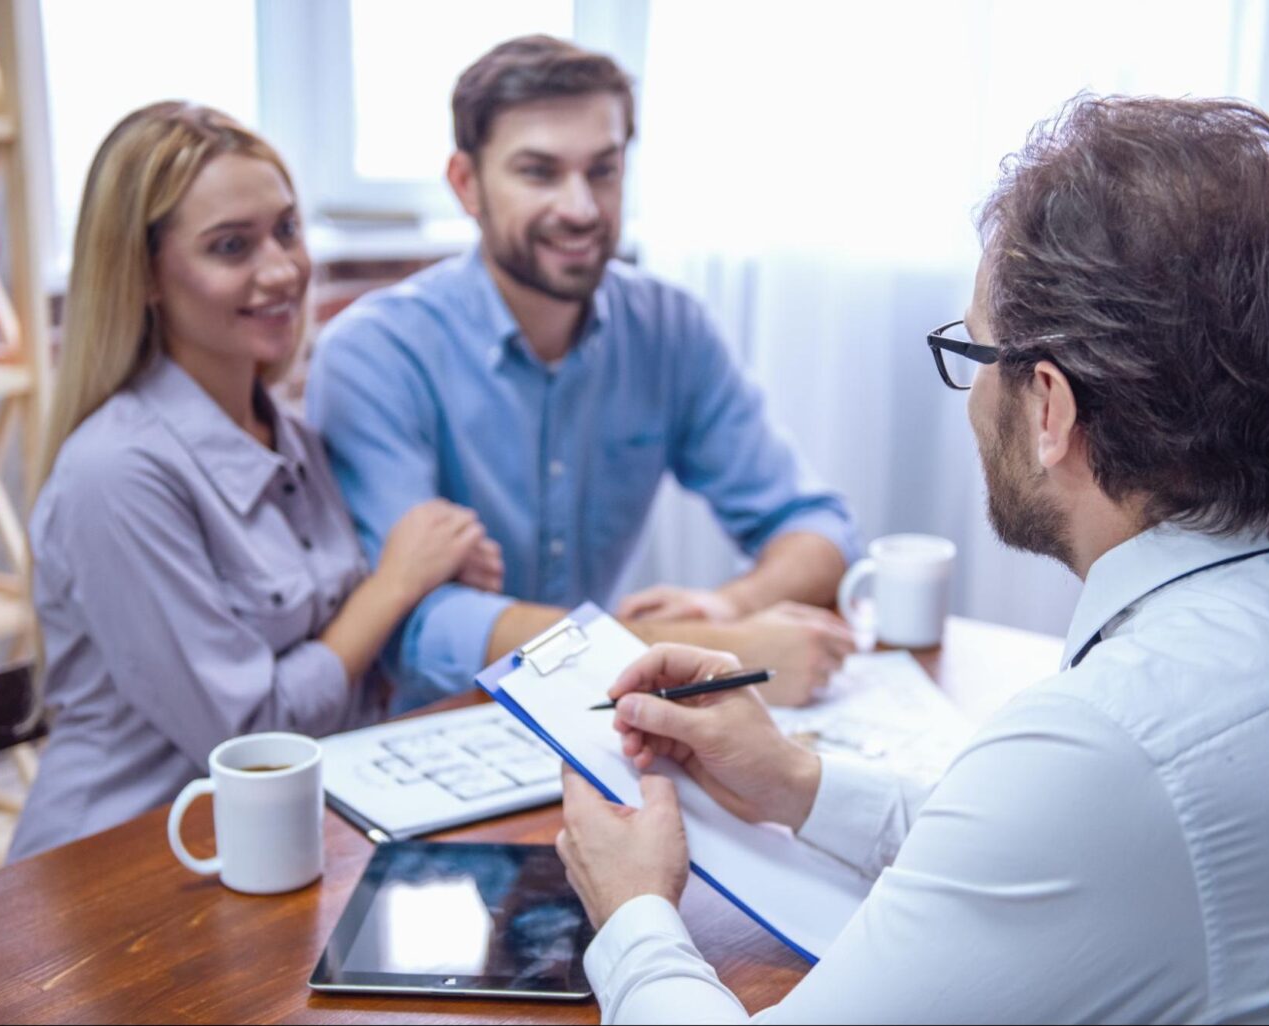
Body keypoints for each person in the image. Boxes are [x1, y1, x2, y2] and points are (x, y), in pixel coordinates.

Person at [554, 95, 1269, 1021]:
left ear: (1049, 408)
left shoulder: (1112, 745)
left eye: (976, 351)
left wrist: (631, 916)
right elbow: (1051, 857)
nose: (974, 395)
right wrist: (799, 785)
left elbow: (1080, 816)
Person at [308, 36, 859, 710]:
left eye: (603, 170)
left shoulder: (668, 326)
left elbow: (817, 525)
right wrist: (712, 652)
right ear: (466, 184)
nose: (582, 208)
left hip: (609, 713)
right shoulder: (374, 353)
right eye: (539, 172)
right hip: (444, 721)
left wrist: (728, 605)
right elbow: (418, 627)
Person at [9, 103, 500, 860]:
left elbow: (340, 660)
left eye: (288, 230)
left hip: (282, 848)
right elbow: (250, 741)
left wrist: (435, 567)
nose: (282, 271)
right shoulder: (115, 477)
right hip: (121, 868)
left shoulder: (292, 434)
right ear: (142, 274)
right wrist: (393, 586)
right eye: (232, 246)